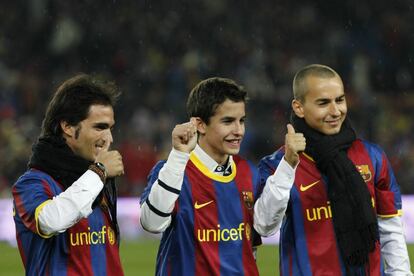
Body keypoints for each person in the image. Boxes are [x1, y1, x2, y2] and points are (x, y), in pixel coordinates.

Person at [257, 64, 412, 275]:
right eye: (323, 103)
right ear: (298, 107)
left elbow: (390, 230)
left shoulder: (372, 157)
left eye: (339, 100)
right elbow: (265, 226)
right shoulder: (277, 164)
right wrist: (288, 165)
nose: (335, 111)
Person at [140, 77, 304, 275]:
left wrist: (288, 165)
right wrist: (178, 156)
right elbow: (152, 223)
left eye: (241, 121)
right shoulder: (173, 170)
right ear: (200, 124)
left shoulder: (248, 172)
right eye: (228, 121)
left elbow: (266, 228)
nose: (238, 131)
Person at [12, 74, 125, 275]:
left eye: (110, 128)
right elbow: (51, 221)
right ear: (68, 127)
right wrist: (99, 172)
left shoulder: (96, 182)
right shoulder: (32, 184)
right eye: (100, 127)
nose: (109, 138)